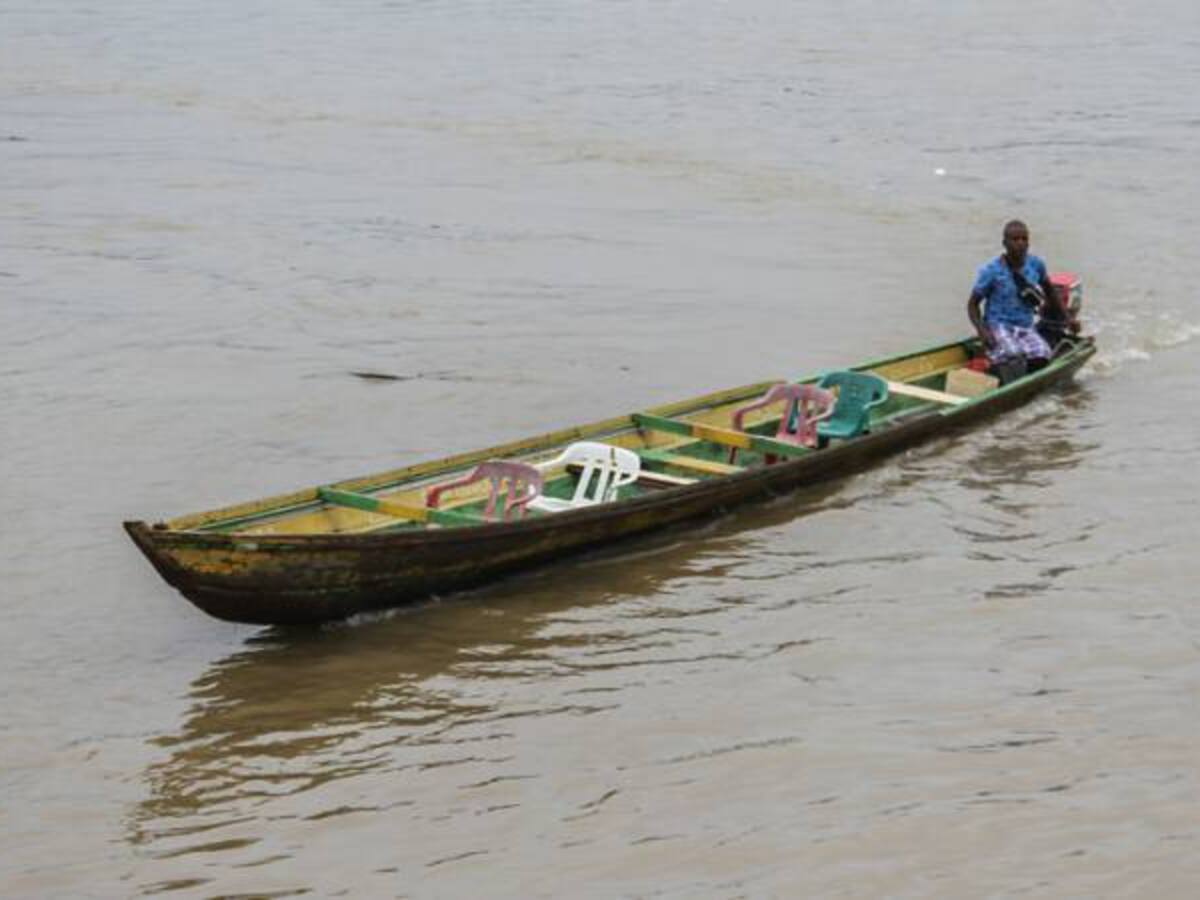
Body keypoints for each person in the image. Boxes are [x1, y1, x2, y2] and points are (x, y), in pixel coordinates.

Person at [967, 220, 1069, 382]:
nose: (1020, 243)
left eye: (1024, 239)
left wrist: (1068, 319)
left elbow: (1049, 290)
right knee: (1012, 355)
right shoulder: (992, 271)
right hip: (998, 325)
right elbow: (972, 305)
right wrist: (982, 331)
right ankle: (997, 373)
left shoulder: (1036, 264)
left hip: (1024, 326)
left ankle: (1022, 382)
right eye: (1015, 239)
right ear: (1005, 243)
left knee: (1043, 354)